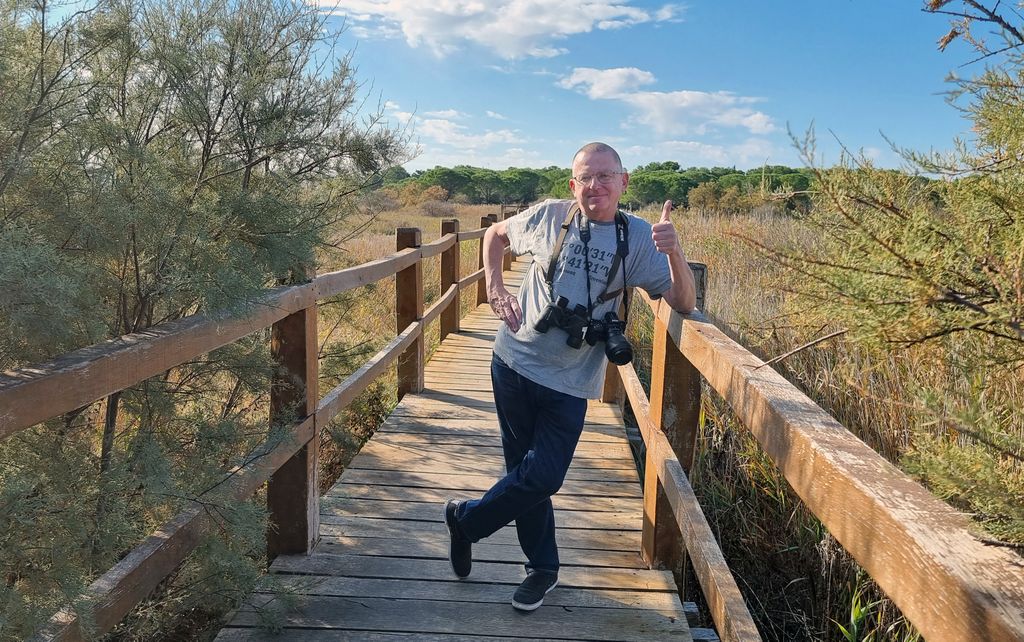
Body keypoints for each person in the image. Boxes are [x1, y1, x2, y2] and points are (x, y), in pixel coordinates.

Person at [442, 142, 696, 612]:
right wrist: (495, 288)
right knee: (525, 470)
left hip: (572, 379)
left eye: (605, 176)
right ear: (572, 184)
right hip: (514, 362)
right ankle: (543, 568)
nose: (594, 186)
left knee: (543, 475)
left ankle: (465, 520)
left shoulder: (639, 238)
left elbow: (683, 302)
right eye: (585, 178)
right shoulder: (549, 216)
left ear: (624, 182)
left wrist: (675, 252)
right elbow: (495, 235)